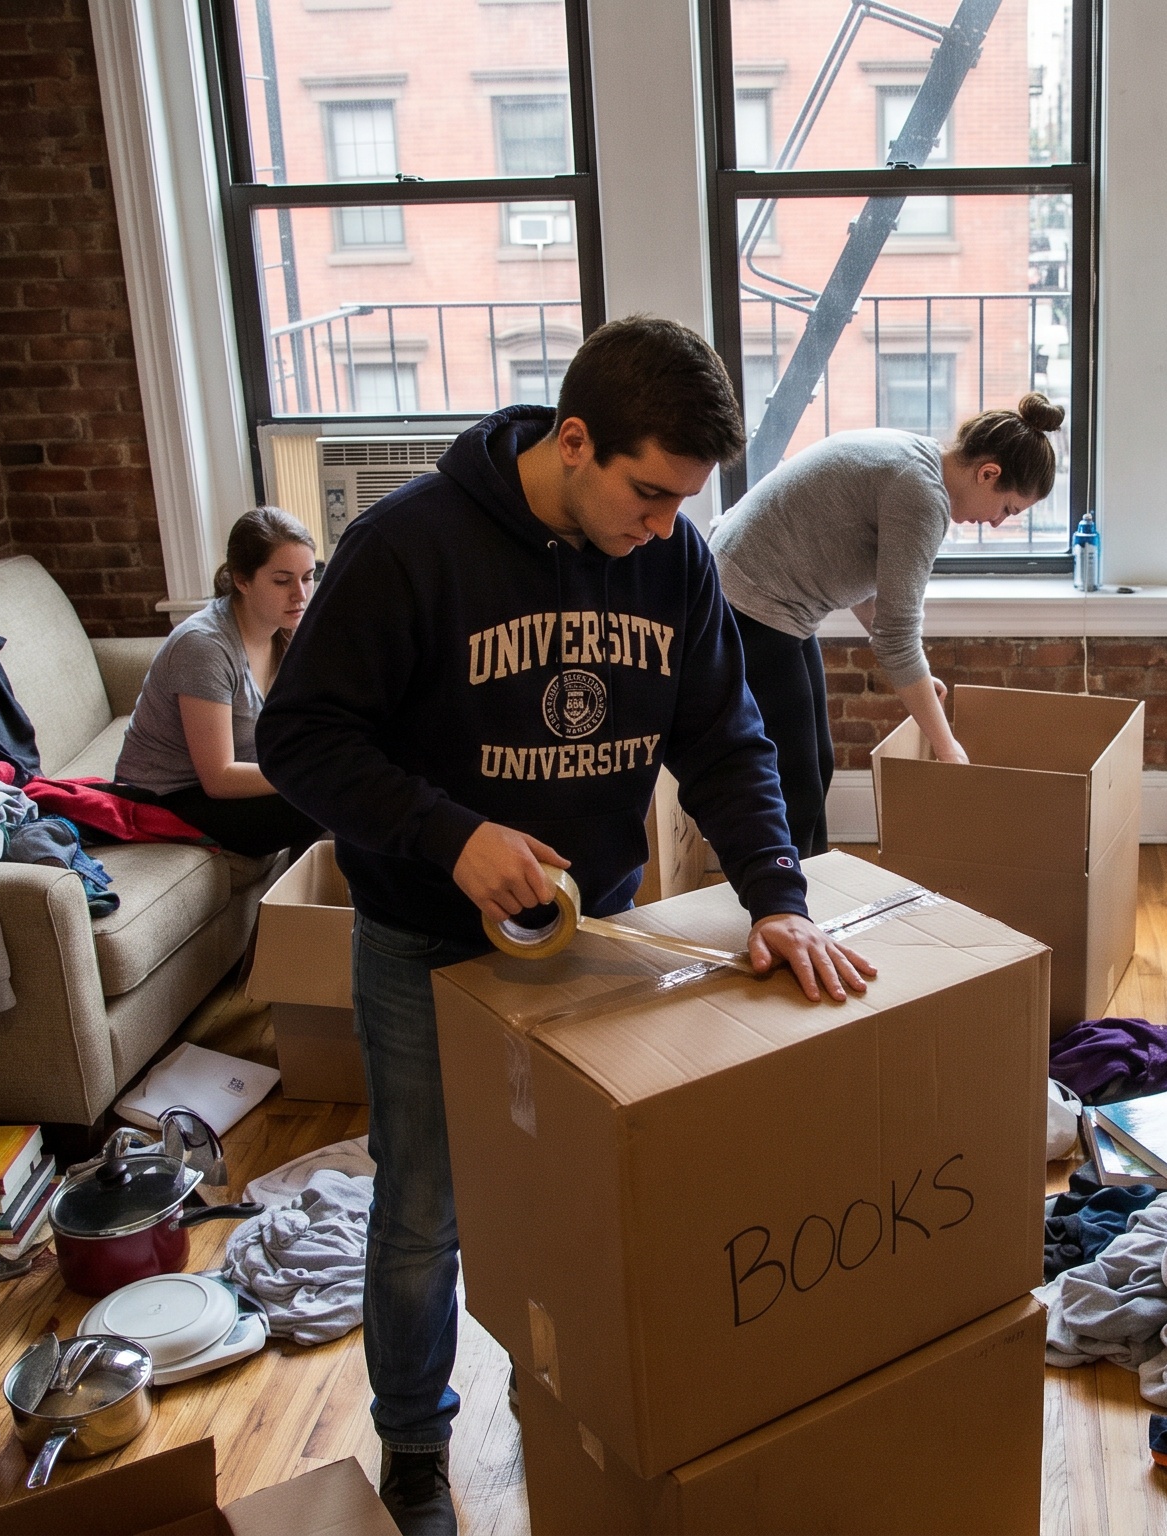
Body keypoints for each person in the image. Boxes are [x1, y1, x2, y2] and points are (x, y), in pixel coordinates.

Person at [256, 316, 877, 1533]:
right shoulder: (407, 548)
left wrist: (776, 897)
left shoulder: (674, 558)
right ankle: (416, 1453)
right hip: (423, 944)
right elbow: (301, 741)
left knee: (596, 1200)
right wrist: (451, 836)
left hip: (597, 934)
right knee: (425, 1211)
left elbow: (722, 738)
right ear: (574, 440)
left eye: (680, 502)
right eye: (646, 492)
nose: (660, 524)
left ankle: (581, 1412)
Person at [707, 393, 1065, 854]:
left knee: (816, 764)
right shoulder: (922, 495)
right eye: (1007, 509)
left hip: (769, 600)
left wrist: (918, 677)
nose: (996, 524)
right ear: (988, 473)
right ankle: (782, 915)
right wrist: (947, 746)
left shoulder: (915, 457)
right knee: (793, 783)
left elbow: (870, 583)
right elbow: (896, 638)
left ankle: (803, 899)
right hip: (747, 602)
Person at [110, 506, 323, 858]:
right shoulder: (204, 646)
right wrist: (312, 771)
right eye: (282, 581)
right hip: (168, 798)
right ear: (242, 580)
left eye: (308, 577)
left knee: (355, 780)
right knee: (327, 797)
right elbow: (219, 777)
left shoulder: (286, 629)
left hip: (227, 784)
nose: (300, 594)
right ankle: (297, 910)